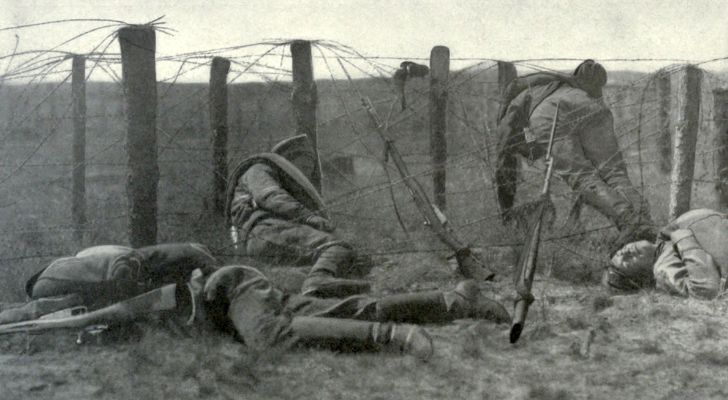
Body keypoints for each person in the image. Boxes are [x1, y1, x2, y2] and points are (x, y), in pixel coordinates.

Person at [200, 264, 511, 361]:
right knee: (351, 312)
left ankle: (394, 336)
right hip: (237, 296)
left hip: (228, 289)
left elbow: (189, 255)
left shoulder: (148, 262)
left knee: (269, 337)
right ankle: (456, 301)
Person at [495, 60, 654, 247]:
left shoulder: (519, 100)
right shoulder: (573, 90)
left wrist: (505, 209)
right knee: (613, 171)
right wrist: (534, 148)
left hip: (550, 113)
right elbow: (530, 142)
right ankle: (644, 223)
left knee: (581, 176)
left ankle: (627, 219)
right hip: (593, 107)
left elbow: (504, 154)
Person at [226, 135, 370, 298]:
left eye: (309, 167)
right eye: (301, 165)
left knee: (340, 258)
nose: (305, 172)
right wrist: (310, 218)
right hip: (265, 231)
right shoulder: (258, 169)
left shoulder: (280, 181)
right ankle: (318, 280)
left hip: (272, 235)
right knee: (337, 245)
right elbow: (271, 196)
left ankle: (315, 286)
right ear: (286, 161)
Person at [0, 242, 219, 325]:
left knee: (58, 306)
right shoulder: (192, 257)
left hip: (64, 275)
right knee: (52, 308)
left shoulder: (188, 256)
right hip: (59, 278)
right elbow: (128, 263)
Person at [603, 208, 728, 300]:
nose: (626, 252)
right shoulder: (663, 268)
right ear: (641, 277)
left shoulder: (665, 239)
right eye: (626, 263)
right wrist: (682, 238)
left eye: (620, 252)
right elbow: (705, 290)